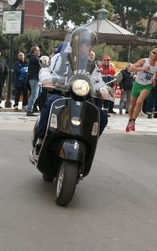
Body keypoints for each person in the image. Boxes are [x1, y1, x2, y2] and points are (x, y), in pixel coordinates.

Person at [31, 27, 109, 162]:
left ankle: (89, 144)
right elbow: (46, 70)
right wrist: (46, 80)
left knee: (101, 115)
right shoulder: (60, 57)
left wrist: (103, 91)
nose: (89, 47)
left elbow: (99, 82)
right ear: (76, 43)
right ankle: (40, 140)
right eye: (86, 43)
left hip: (83, 98)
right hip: (62, 94)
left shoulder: (92, 66)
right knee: (50, 104)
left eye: (91, 44)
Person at [125, 46, 157, 132]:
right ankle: (130, 120)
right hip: (137, 84)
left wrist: (154, 80)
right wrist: (142, 68)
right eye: (154, 52)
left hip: (147, 86)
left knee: (139, 102)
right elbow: (131, 68)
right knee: (132, 105)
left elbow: (156, 73)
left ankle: (133, 121)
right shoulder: (143, 61)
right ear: (150, 52)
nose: (155, 55)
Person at [25, 46, 41, 116]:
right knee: (34, 94)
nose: (39, 52)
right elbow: (41, 62)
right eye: (38, 50)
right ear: (34, 51)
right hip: (34, 78)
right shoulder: (34, 58)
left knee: (35, 94)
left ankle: (29, 107)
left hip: (34, 78)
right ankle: (29, 109)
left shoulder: (32, 58)